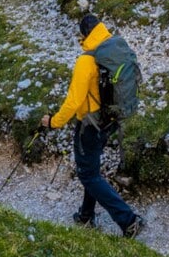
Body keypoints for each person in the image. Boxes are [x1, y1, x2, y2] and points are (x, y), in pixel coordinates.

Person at [48, 12, 144, 237]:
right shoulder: (114, 46)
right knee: (91, 171)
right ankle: (86, 215)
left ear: (83, 35)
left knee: (88, 175)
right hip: (109, 120)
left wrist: (53, 122)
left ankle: (129, 221)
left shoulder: (86, 61)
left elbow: (73, 102)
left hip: (89, 125)